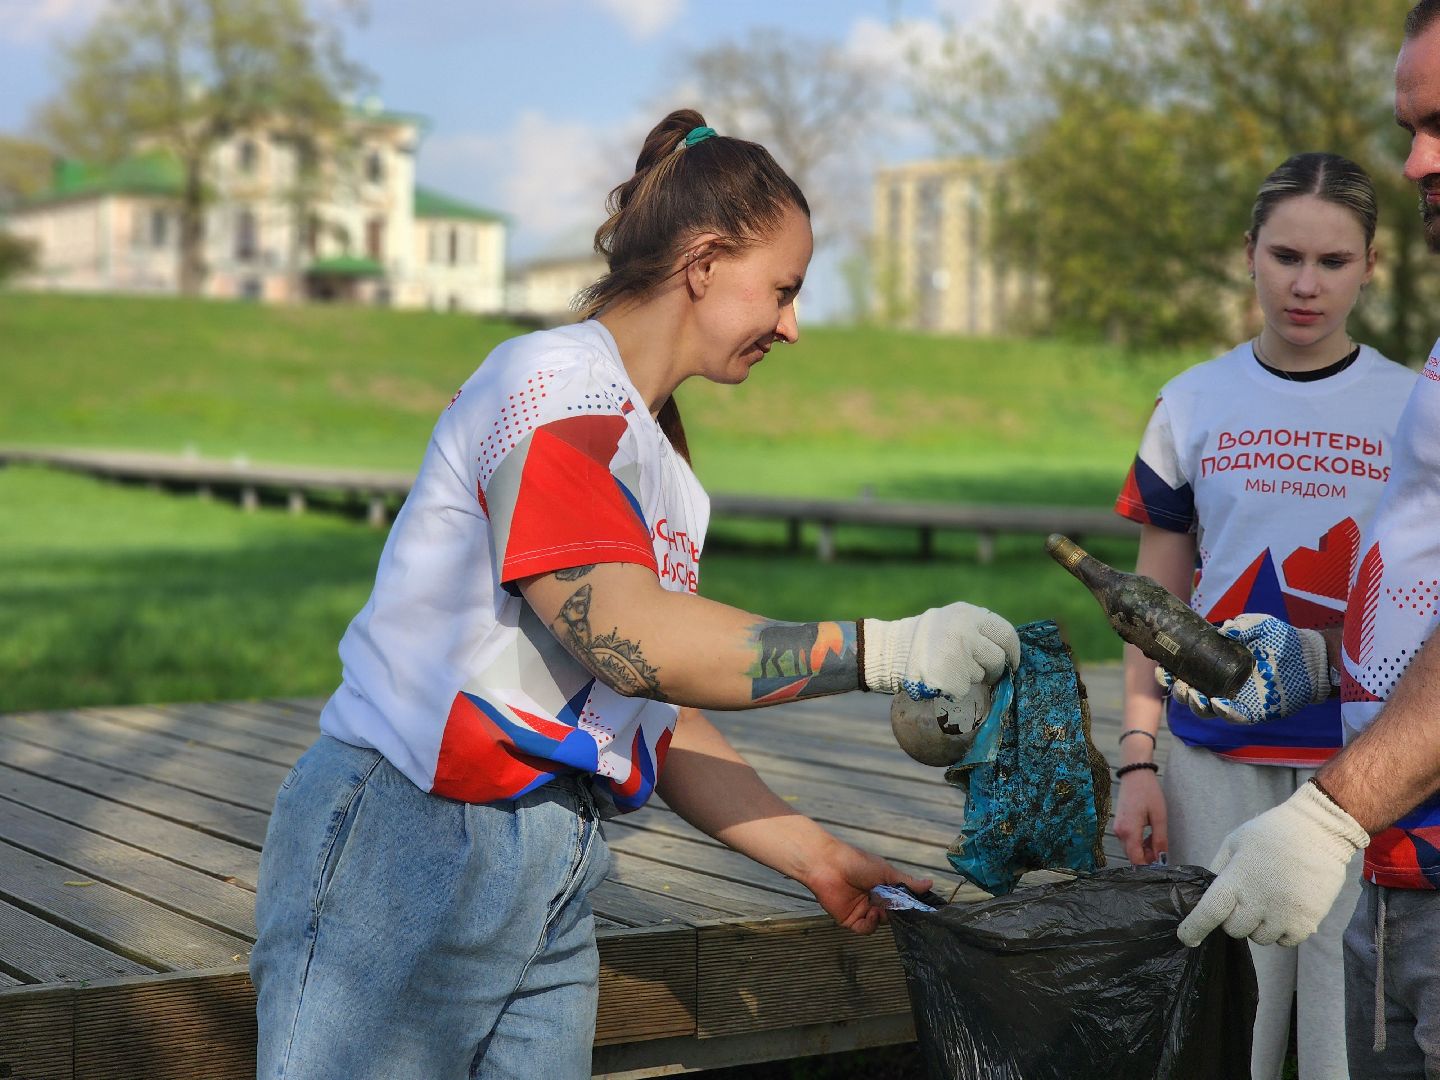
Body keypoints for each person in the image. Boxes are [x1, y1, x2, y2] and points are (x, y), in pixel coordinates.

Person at [247, 109, 1021, 1080]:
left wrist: (816, 855)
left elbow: (641, 704)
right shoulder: (553, 388)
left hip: (552, 868)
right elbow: (625, 637)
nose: (793, 323)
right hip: (411, 843)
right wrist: (887, 651)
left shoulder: (652, 452)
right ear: (703, 261)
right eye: (781, 290)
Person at [1169, 4, 1440, 1075]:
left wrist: (1329, 815)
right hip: (1404, 863)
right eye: (1411, 124)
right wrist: (1330, 661)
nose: (1418, 157)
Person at [1110, 151, 1415, 1080]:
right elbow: (1149, 609)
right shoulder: (1190, 402)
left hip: (1360, 767)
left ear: (1373, 265)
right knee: (1224, 1029)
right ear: (1249, 253)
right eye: (1286, 256)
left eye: (1333, 261)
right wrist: (1138, 760)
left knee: (1342, 1045)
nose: (1306, 284)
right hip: (1211, 761)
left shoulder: (1417, 406)